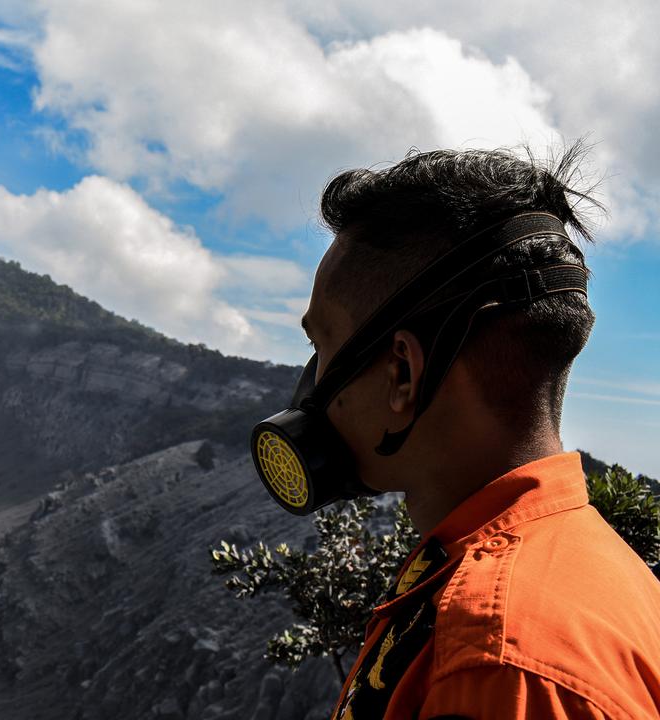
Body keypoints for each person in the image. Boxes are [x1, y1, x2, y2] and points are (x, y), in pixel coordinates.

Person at [250, 146, 660, 718]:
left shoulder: (496, 667)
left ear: (402, 373)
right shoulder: (585, 564)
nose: (313, 381)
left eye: (321, 346)